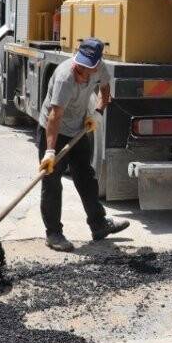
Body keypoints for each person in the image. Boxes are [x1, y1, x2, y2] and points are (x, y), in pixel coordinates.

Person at [37, 38, 129, 252]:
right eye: (78, 65)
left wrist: (97, 113)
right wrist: (50, 152)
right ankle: (53, 233)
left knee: (86, 177)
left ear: (96, 65)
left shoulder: (100, 69)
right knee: (52, 182)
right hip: (54, 131)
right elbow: (54, 116)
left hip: (78, 129)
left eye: (85, 68)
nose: (79, 71)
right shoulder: (65, 77)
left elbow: (105, 89)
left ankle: (99, 225)